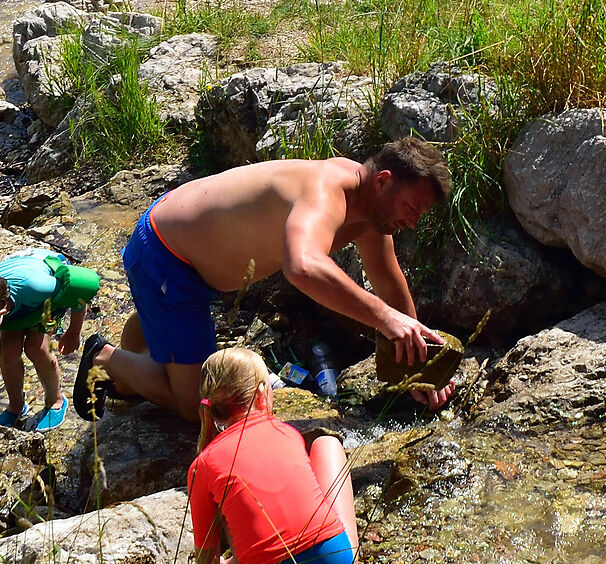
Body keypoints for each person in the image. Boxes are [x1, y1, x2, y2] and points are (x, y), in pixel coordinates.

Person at [77, 136, 453, 424]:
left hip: (188, 253)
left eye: (420, 214)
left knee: (160, 349)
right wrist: (383, 318)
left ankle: (136, 362)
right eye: (411, 208)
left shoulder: (371, 214)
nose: (413, 222)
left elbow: (391, 286)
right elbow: (302, 266)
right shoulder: (326, 191)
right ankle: (102, 356)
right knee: (199, 408)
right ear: (383, 181)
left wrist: (423, 369)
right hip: (166, 257)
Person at [187, 346, 357, 564]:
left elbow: (206, 559)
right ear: (261, 395)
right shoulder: (287, 432)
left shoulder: (201, 465)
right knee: (327, 444)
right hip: (333, 558)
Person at [0, 249, 101, 430]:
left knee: (36, 348)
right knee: (9, 352)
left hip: (43, 297)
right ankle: (16, 406)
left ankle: (56, 400)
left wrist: (74, 332)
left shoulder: (38, 287)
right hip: (12, 300)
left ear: (1, 314)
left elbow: (77, 293)